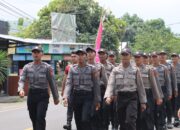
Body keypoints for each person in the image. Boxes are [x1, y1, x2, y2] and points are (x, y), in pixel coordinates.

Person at [18, 46, 59, 130]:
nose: (36, 54)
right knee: (33, 117)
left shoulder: (47, 67)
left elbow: (52, 83)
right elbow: (21, 80)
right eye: (34, 52)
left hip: (43, 95)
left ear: (42, 54)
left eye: (38, 52)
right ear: (32, 54)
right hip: (32, 95)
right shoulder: (27, 67)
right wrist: (20, 89)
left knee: (40, 117)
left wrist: (56, 97)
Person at [104, 48, 147, 130]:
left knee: (130, 121)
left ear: (130, 56)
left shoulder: (135, 70)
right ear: (121, 57)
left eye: (126, 56)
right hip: (120, 97)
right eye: (123, 56)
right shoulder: (116, 70)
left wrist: (143, 102)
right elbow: (110, 84)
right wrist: (108, 96)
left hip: (132, 97)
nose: (124, 58)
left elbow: (140, 87)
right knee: (122, 122)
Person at [63, 49, 101, 130]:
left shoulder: (92, 69)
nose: (80, 57)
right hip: (76, 96)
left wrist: (97, 100)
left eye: (82, 54)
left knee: (85, 118)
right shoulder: (72, 69)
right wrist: (65, 96)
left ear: (85, 56)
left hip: (88, 97)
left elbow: (96, 85)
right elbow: (69, 83)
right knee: (78, 119)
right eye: (78, 55)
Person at [134, 51, 163, 130]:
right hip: (135, 94)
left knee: (148, 115)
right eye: (136, 57)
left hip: (148, 94)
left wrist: (158, 97)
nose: (138, 58)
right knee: (137, 116)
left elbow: (154, 84)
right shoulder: (132, 68)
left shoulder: (149, 69)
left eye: (140, 57)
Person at [86, 46, 108, 130]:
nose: (89, 54)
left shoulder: (100, 66)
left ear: (95, 54)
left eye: (91, 52)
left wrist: (108, 95)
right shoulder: (83, 66)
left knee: (97, 113)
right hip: (86, 92)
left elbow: (106, 82)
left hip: (98, 93)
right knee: (87, 114)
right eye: (88, 52)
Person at [151, 52, 172, 130]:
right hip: (152, 91)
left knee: (161, 109)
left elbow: (168, 81)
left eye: (155, 56)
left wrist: (169, 93)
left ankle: (162, 125)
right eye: (152, 57)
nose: (154, 58)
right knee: (153, 109)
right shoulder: (149, 68)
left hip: (162, 90)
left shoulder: (164, 68)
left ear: (158, 57)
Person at [158, 51, 178, 129]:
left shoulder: (170, 66)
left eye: (163, 55)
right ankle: (162, 121)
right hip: (158, 89)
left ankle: (169, 121)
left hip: (167, 88)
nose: (162, 56)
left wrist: (175, 89)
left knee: (168, 105)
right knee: (160, 106)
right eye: (160, 55)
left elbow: (174, 79)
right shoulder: (155, 65)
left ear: (166, 56)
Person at [98, 48, 115, 130]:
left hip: (107, 91)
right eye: (100, 53)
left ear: (106, 55)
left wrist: (113, 93)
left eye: (103, 53)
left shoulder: (111, 67)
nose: (101, 55)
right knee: (97, 111)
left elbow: (114, 81)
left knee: (106, 110)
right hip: (97, 91)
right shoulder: (95, 65)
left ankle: (106, 126)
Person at [62, 51, 78, 130]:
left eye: (75, 56)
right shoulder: (68, 67)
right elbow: (65, 79)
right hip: (70, 90)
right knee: (70, 107)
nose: (73, 58)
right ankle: (68, 123)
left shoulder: (83, 66)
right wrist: (63, 91)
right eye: (72, 56)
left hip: (79, 90)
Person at [171, 53, 180, 128]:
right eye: (172, 56)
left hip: (178, 85)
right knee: (172, 103)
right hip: (171, 86)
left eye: (175, 56)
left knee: (177, 102)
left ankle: (177, 119)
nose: (173, 58)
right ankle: (172, 118)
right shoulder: (169, 66)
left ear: (178, 58)